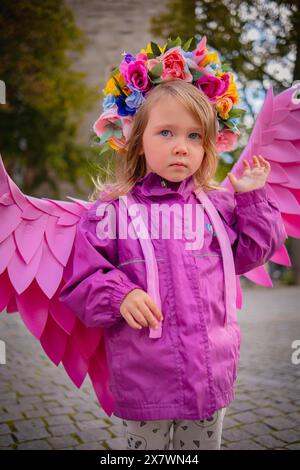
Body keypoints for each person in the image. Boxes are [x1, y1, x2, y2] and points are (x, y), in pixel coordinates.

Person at [59, 45, 287, 450]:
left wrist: (251, 200)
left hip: (211, 372)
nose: (181, 146)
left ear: (207, 146)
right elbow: (82, 281)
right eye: (166, 132)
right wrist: (119, 293)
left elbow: (250, 256)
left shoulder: (218, 207)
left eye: (194, 136)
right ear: (137, 142)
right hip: (145, 377)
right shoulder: (110, 213)